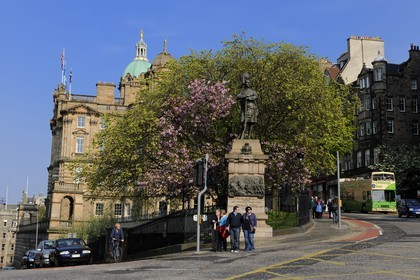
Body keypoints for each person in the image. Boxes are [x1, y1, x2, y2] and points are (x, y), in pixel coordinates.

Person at [237, 73, 258, 139]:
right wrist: (244, 96)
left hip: (251, 108)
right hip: (244, 108)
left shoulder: (253, 91)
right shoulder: (243, 91)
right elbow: (238, 96)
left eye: (249, 83)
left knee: (250, 122)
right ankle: (241, 135)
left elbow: (256, 97)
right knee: (243, 121)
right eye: (247, 83)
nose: (248, 84)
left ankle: (249, 136)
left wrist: (249, 98)